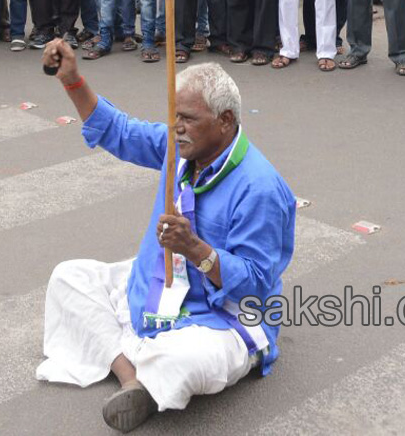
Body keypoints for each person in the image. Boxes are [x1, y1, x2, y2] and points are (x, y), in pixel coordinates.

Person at [35, 44, 295, 431]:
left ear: (224, 121)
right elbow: (121, 131)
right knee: (69, 278)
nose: (177, 127)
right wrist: (72, 80)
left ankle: (142, 365)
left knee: (182, 360)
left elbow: (255, 285)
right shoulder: (181, 148)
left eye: (187, 118)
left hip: (218, 315)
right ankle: (132, 379)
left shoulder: (260, 188)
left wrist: (196, 249)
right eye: (174, 116)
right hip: (157, 286)